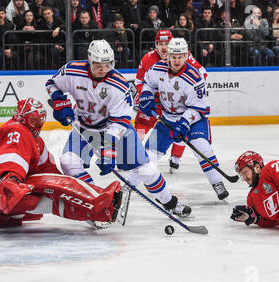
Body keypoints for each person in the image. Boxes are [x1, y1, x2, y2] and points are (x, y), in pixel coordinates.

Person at [45, 39, 192, 218]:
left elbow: (119, 123)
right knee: (68, 161)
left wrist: (108, 150)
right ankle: (95, 203)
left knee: (146, 170)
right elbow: (52, 84)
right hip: (85, 128)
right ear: (90, 61)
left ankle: (169, 202)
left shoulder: (119, 85)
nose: (103, 69)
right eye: (98, 64)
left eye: (107, 64)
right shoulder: (72, 71)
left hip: (116, 131)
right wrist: (59, 101)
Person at [0, 98, 130, 230]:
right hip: (0, 188)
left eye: (41, 121)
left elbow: (49, 173)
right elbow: (11, 157)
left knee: (54, 192)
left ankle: (95, 209)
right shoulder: (16, 130)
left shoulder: (37, 142)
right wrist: (10, 181)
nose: (38, 125)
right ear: (22, 117)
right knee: (54, 196)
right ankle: (98, 206)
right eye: (34, 121)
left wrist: (62, 180)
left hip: (8, 190)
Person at [138, 37, 229, 200]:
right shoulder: (156, 68)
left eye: (180, 56)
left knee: (202, 148)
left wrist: (184, 123)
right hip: (167, 119)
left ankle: (217, 182)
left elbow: (197, 108)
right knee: (147, 154)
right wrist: (146, 94)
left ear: (186, 56)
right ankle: (131, 185)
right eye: (173, 56)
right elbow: (148, 83)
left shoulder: (194, 77)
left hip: (194, 120)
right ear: (168, 56)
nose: (177, 60)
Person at [133, 29, 207, 172]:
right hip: (154, 102)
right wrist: (145, 96)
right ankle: (133, 154)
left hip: (175, 102)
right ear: (155, 45)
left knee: (179, 127)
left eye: (166, 43)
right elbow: (139, 80)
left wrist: (191, 92)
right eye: (160, 43)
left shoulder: (184, 56)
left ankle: (175, 157)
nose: (164, 47)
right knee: (141, 124)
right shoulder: (147, 58)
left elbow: (202, 73)